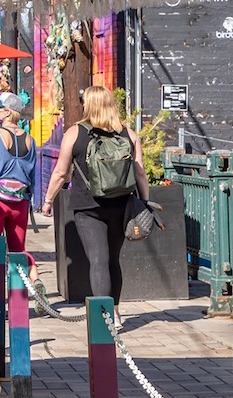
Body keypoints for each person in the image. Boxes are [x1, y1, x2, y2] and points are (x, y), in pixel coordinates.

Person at [40, 86, 152, 311]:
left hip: (88, 207)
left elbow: (61, 172)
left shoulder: (75, 132)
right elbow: (140, 172)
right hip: (121, 205)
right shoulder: (128, 133)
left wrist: (48, 200)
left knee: (98, 261)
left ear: (87, 105)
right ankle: (117, 312)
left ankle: (105, 317)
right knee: (113, 260)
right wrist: (145, 202)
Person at [0, 92, 38, 255]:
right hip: (20, 202)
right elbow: (33, 175)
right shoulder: (31, 140)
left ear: (7, 112)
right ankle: (20, 280)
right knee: (18, 251)